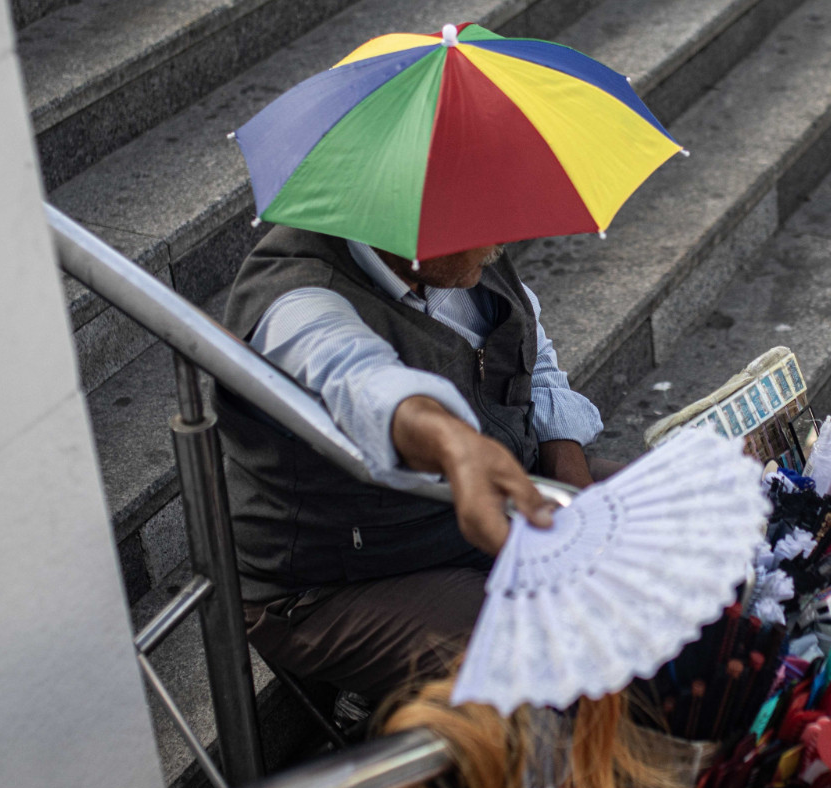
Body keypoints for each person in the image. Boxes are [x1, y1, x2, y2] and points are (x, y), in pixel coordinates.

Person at [214, 225, 605, 702]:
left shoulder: (461, 253)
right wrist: (455, 446)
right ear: (403, 215)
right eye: (478, 218)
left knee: (665, 538)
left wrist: (573, 482)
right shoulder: (295, 299)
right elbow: (358, 378)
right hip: (343, 576)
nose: (499, 239)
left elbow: (533, 352)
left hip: (478, 502)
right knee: (542, 659)